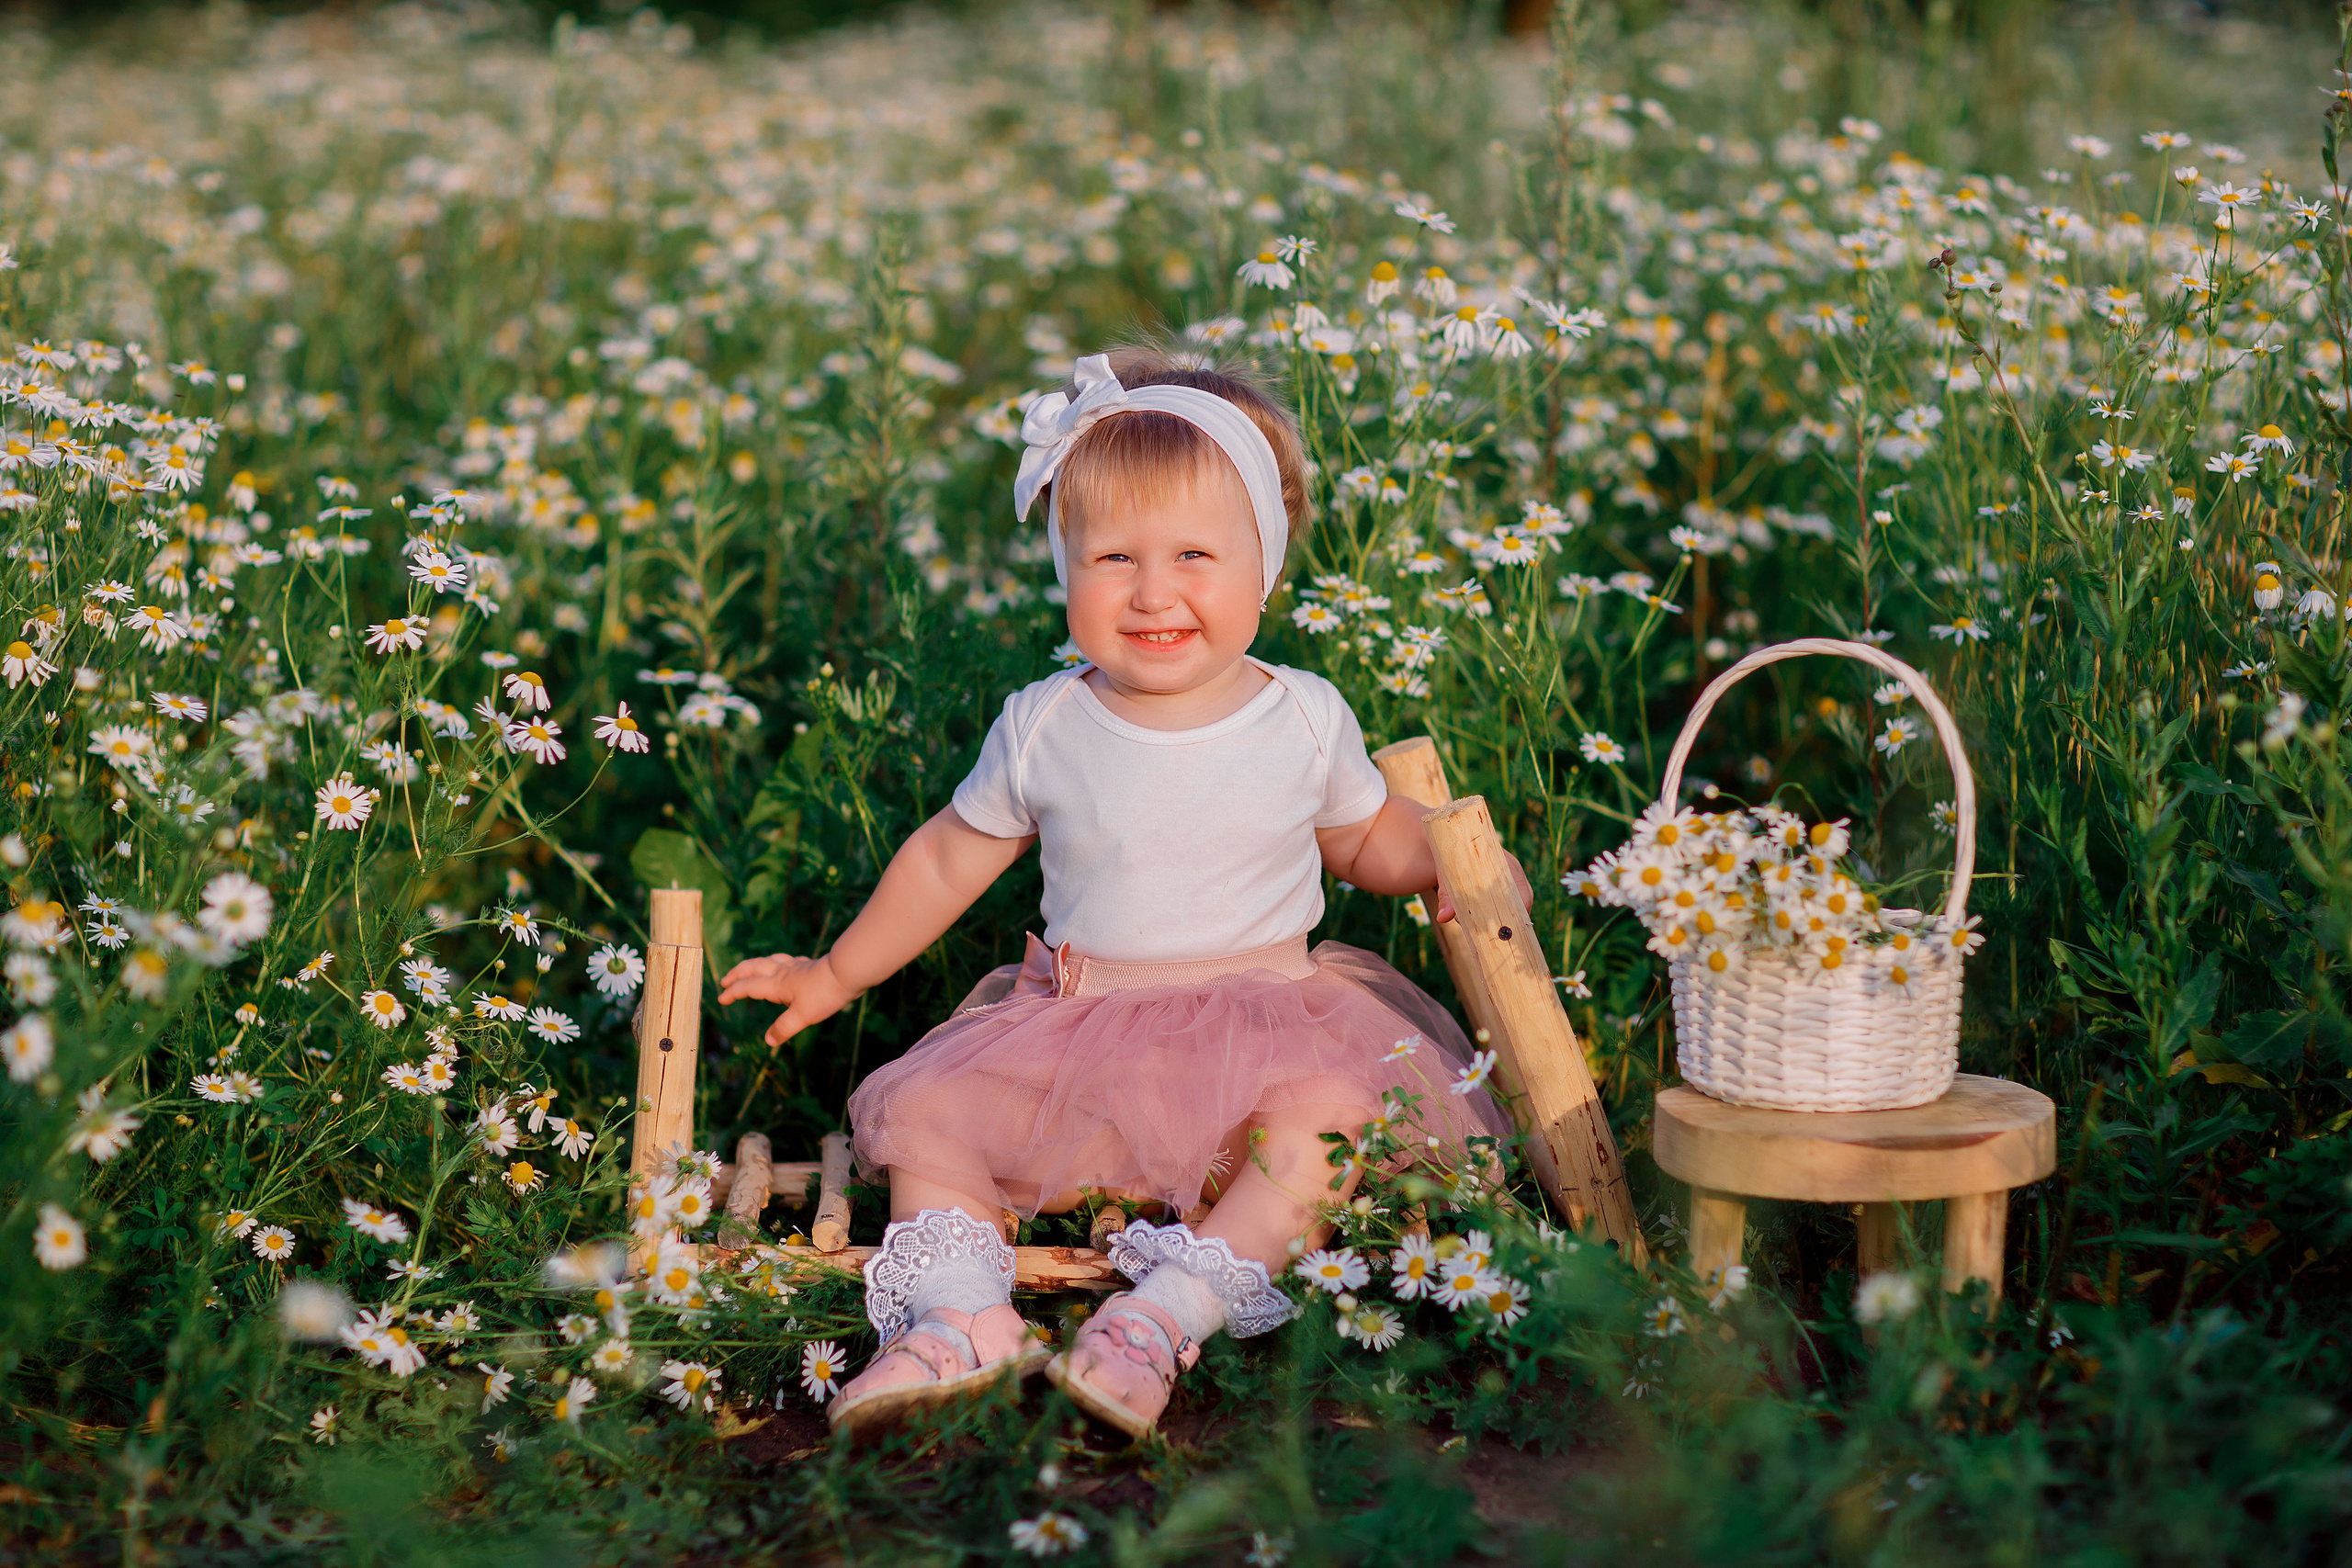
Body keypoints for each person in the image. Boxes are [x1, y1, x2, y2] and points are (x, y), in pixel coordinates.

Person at [719, 345, 1521, 1441]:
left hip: (1268, 1036)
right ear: (1064, 566)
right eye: (1110, 557)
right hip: (1081, 1037)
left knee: (1325, 1131)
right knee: (931, 1119)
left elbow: (1363, 841)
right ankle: (959, 1319)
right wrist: (834, 970)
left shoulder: (1300, 715)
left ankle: (1158, 1320)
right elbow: (951, 856)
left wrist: (1451, 857)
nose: (1152, 592)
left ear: (1263, 567)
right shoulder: (1047, 723)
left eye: (1194, 553)